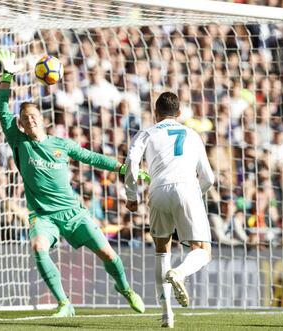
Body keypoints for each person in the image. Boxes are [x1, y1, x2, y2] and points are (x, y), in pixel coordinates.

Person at [0, 49, 146, 317]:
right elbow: (2, 108)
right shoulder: (19, 142)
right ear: (20, 124)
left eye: (33, 116)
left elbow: (91, 157)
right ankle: (64, 303)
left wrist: (123, 168)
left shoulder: (60, 144)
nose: (30, 120)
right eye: (25, 118)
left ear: (42, 119)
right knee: (38, 247)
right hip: (43, 216)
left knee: (109, 255)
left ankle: (125, 289)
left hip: (74, 213)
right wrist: (7, 76)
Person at [124, 92, 214, 328]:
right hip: (187, 189)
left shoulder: (147, 132)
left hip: (157, 191)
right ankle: (180, 273)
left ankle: (167, 316)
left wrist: (132, 196)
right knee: (202, 252)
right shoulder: (193, 134)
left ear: (156, 112)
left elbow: (131, 162)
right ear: (179, 113)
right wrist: (195, 194)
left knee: (162, 250)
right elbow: (209, 178)